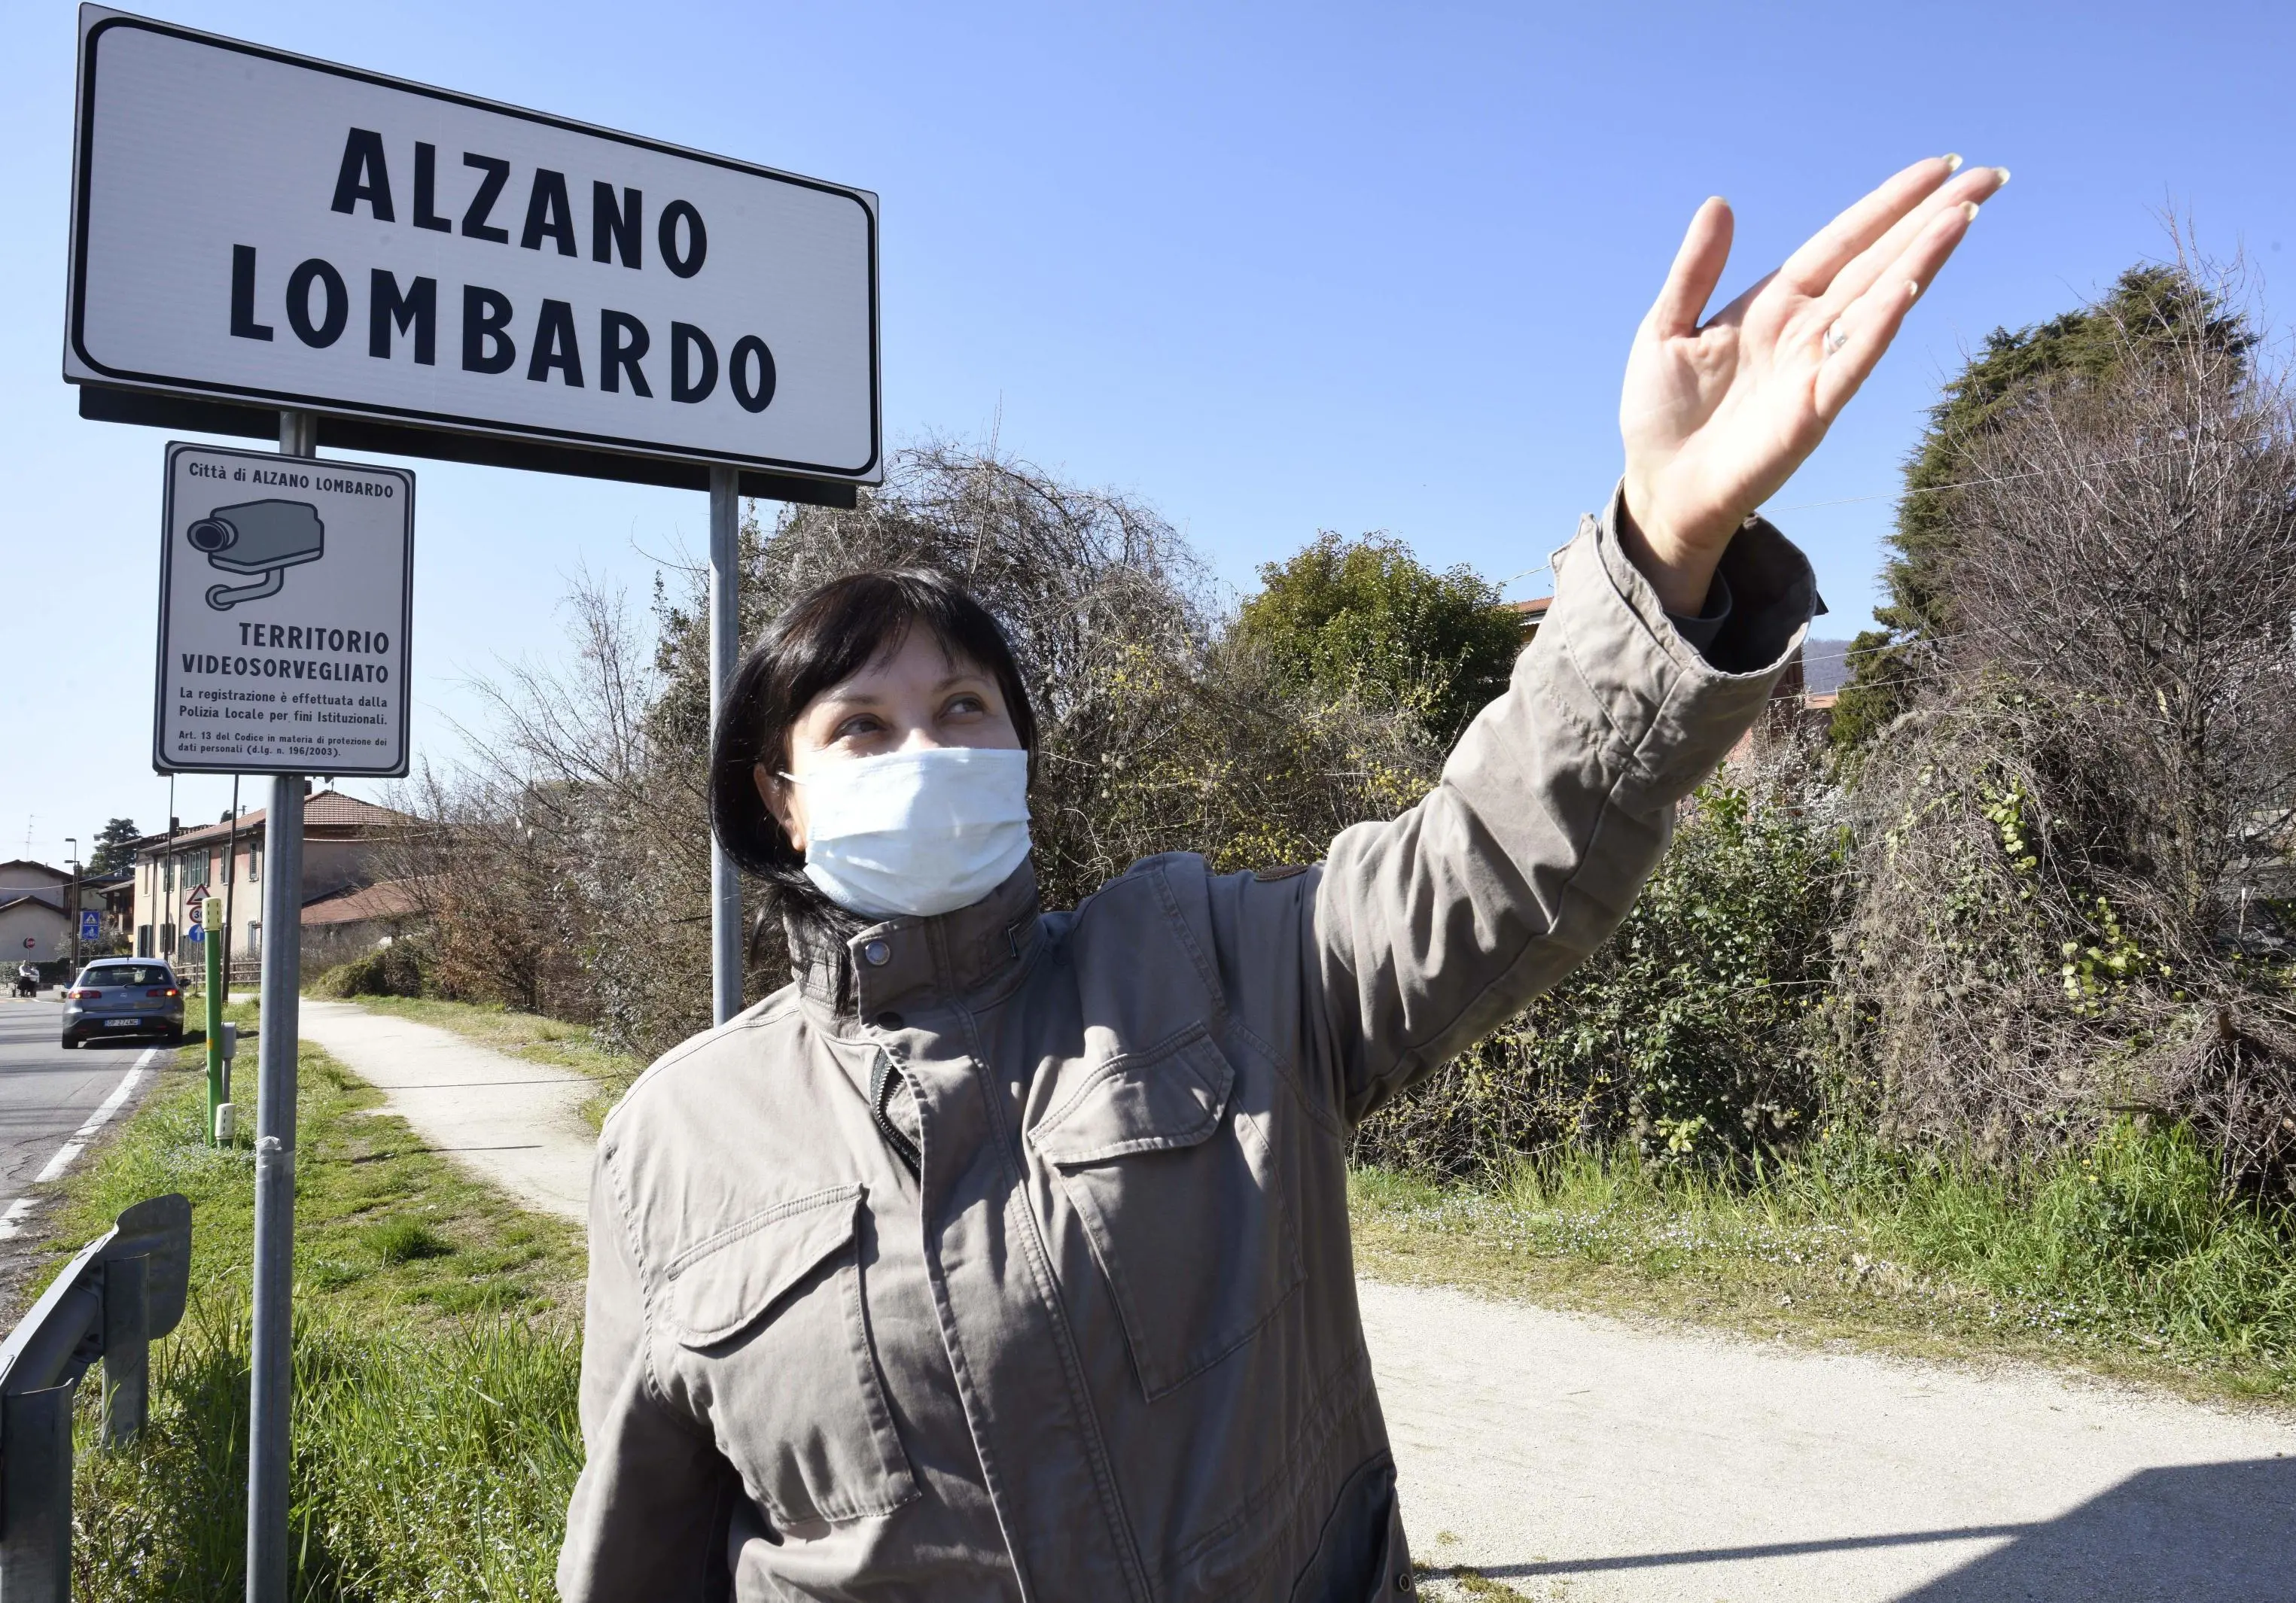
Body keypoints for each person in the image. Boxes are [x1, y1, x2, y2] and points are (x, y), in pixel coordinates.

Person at [558, 155, 2007, 1602]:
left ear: (1019, 755)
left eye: (962, 712)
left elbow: (1489, 860)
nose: (922, 751)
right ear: (782, 799)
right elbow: (641, 1560)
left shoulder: (1206, 963)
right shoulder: (670, 1149)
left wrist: (1668, 544)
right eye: (861, 727)